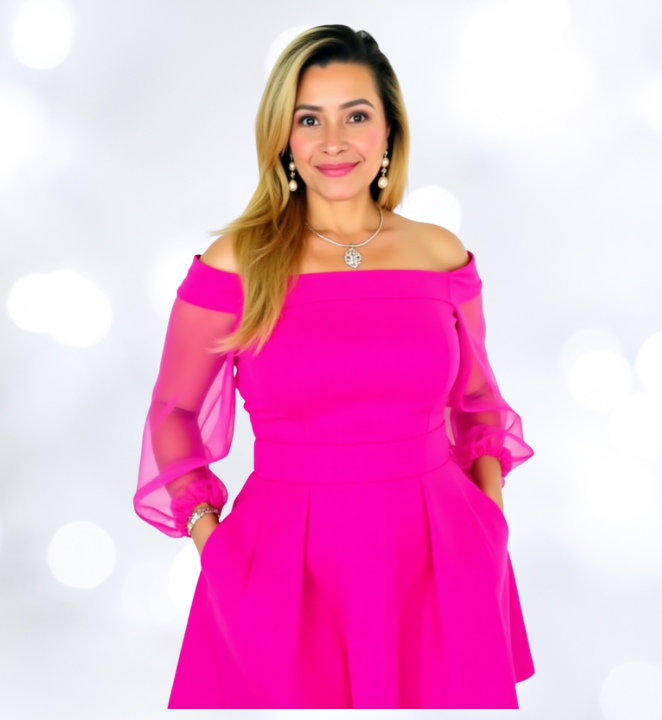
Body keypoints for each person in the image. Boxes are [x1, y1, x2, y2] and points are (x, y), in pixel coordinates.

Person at [133, 24, 536, 709]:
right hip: (286, 566)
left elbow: (477, 401)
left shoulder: (440, 254)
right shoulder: (237, 263)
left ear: (389, 130)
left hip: (439, 558)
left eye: (356, 115)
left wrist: (488, 525)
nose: (333, 141)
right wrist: (211, 540)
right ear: (283, 138)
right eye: (309, 119)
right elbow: (173, 412)